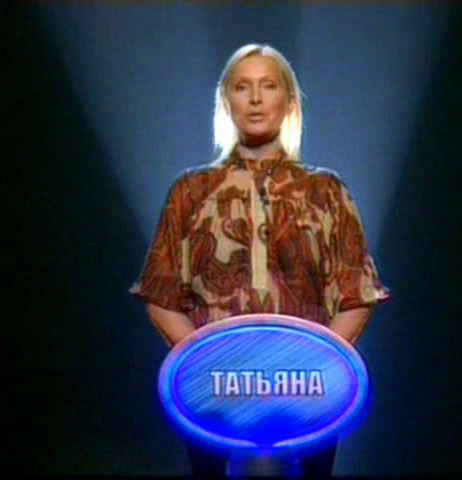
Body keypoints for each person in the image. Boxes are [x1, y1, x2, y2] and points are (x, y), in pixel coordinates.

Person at [130, 43, 390, 478]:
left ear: (288, 101)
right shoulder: (190, 192)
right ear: (226, 100)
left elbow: (355, 295)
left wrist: (311, 366)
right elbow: (162, 295)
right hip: (214, 392)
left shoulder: (326, 191)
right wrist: (210, 366)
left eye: (268, 86)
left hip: (308, 391)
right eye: (242, 87)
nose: (255, 99)